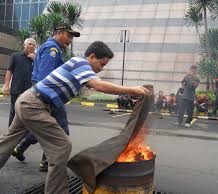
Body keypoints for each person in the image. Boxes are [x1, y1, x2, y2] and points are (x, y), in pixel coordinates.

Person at [0, 41, 148, 194]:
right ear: (91, 56)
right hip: (34, 105)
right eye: (102, 64)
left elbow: (97, 86)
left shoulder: (78, 67)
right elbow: (99, 85)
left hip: (28, 100)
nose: (101, 69)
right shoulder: (81, 64)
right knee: (62, 146)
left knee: (8, 141)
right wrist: (131, 90)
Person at [11, 23, 80, 172]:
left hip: (40, 93)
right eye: (68, 36)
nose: (70, 40)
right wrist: (51, 100)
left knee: (42, 127)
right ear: (59, 33)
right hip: (47, 95)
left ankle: (21, 148)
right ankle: (46, 162)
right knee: (61, 128)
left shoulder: (51, 47)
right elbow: (46, 77)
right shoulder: (52, 49)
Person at [1, 38, 36, 126]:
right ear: (24, 45)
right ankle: (10, 133)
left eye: (33, 45)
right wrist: (6, 85)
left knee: (28, 112)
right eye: (29, 44)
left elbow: (41, 70)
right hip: (16, 88)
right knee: (14, 110)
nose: (31, 46)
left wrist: (35, 59)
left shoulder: (37, 59)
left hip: (30, 91)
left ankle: (24, 134)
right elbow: (9, 71)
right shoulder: (15, 56)